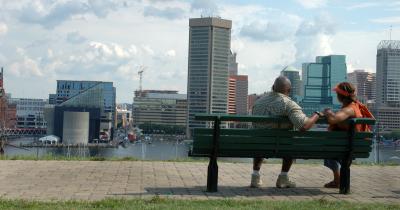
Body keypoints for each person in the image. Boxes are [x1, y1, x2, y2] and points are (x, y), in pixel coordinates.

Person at [250, 76, 321, 188]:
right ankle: (283, 177)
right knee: (290, 142)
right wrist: (317, 115)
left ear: (273, 87)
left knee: (262, 138)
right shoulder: (288, 103)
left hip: (258, 144)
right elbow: (303, 126)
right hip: (282, 145)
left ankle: (255, 176)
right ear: (289, 91)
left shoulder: (258, 102)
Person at [322, 82, 374, 188]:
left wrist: (328, 112)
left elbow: (332, 120)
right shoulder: (356, 106)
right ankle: (338, 180)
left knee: (328, 148)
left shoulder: (349, 109)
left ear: (340, 96)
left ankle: (338, 180)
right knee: (332, 147)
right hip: (353, 144)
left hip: (347, 147)